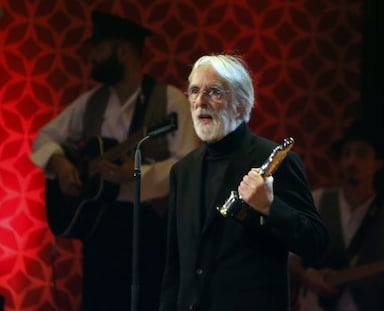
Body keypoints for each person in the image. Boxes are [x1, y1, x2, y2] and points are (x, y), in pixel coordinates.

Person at [30, 10, 199, 311]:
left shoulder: (170, 101)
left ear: (123, 51)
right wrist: (60, 164)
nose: (92, 57)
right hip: (100, 228)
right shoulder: (92, 101)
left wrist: (135, 176)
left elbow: (188, 165)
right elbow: (44, 138)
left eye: (99, 48)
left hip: (151, 228)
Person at [158, 54, 329, 311]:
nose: (200, 101)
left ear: (240, 104)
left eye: (213, 91)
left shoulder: (276, 160)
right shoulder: (183, 171)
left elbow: (316, 244)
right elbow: (175, 266)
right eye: (194, 91)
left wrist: (271, 208)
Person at [289, 119, 384, 311]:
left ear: (378, 163)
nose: (351, 162)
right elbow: (291, 257)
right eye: (346, 154)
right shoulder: (317, 201)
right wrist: (307, 275)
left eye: (361, 154)